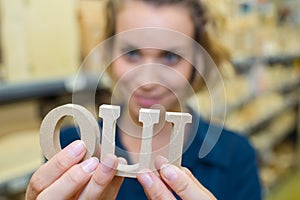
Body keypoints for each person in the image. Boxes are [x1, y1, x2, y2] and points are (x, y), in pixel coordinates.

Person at [26, 0, 262, 199]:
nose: (147, 81)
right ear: (110, 54)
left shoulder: (235, 155)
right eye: (132, 54)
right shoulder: (72, 146)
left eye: (170, 57)